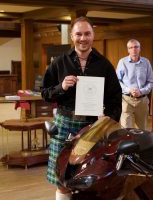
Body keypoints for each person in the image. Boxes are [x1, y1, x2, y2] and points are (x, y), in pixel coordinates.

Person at [41, 16, 122, 200]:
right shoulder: (59, 62)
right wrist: (60, 87)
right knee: (63, 180)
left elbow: (115, 99)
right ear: (72, 36)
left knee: (88, 179)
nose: (83, 38)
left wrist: (106, 119)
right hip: (63, 125)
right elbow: (45, 93)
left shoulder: (104, 65)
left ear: (93, 35)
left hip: (92, 127)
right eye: (79, 34)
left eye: (87, 33)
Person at [116, 39, 153, 130]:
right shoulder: (122, 62)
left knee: (142, 130)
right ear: (128, 50)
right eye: (131, 47)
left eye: (136, 47)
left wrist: (141, 91)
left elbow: (151, 82)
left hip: (142, 100)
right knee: (125, 130)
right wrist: (129, 90)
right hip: (126, 100)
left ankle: (140, 144)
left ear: (140, 48)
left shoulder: (146, 62)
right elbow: (117, 81)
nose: (134, 49)